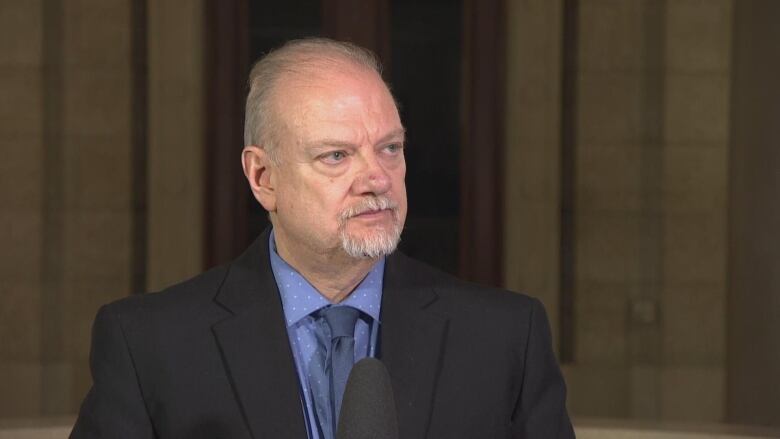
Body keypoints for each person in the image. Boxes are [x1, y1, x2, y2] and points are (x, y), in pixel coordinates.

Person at [71, 38, 574, 439]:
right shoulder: (149, 345)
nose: (376, 177)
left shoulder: (507, 337)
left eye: (390, 148)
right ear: (263, 177)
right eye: (336, 156)